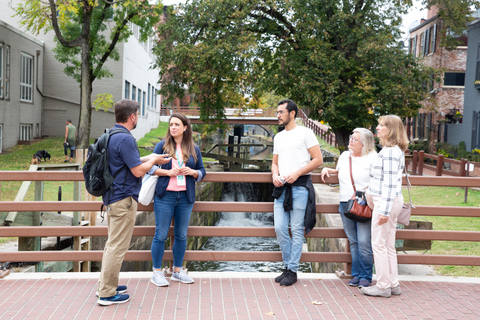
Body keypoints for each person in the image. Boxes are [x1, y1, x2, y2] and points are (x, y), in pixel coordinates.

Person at [97, 99, 170, 306]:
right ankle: (107, 294)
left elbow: (130, 162)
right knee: (117, 247)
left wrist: (152, 156)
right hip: (123, 199)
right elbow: (137, 170)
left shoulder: (111, 134)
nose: (137, 117)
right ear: (132, 117)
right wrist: (154, 161)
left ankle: (105, 284)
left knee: (112, 244)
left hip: (112, 197)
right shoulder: (126, 139)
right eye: (137, 114)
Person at [149, 113, 206, 287]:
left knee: (181, 235)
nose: (173, 127)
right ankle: (157, 272)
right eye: (171, 124)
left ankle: (177, 271)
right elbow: (149, 167)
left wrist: (193, 173)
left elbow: (202, 171)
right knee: (161, 234)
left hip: (185, 197)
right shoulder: (162, 146)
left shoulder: (194, 149)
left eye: (177, 124)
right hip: (165, 196)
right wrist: (167, 173)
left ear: (185, 128)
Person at [271, 99, 323, 286]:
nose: (278, 115)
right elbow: (275, 162)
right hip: (281, 187)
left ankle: (292, 270)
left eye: (281, 112)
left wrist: (297, 172)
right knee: (280, 228)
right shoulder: (278, 137)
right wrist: (275, 175)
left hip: (300, 186)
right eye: (277, 112)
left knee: (297, 229)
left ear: (292, 113)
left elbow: (318, 159)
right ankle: (287, 266)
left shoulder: (305, 133)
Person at [321, 128, 377, 288]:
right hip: (345, 204)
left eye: (355, 139)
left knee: (364, 241)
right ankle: (357, 274)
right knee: (353, 241)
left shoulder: (373, 158)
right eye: (351, 137)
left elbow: (377, 180)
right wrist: (327, 170)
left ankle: (366, 276)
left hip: (363, 204)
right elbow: (339, 172)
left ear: (364, 144)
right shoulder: (345, 156)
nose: (350, 140)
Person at [360, 115, 408, 298]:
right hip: (390, 201)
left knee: (378, 244)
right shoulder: (394, 150)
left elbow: (389, 184)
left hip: (385, 202)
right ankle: (393, 284)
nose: (377, 128)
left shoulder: (389, 153)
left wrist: (384, 211)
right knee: (388, 245)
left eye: (381, 126)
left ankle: (382, 286)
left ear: (391, 130)